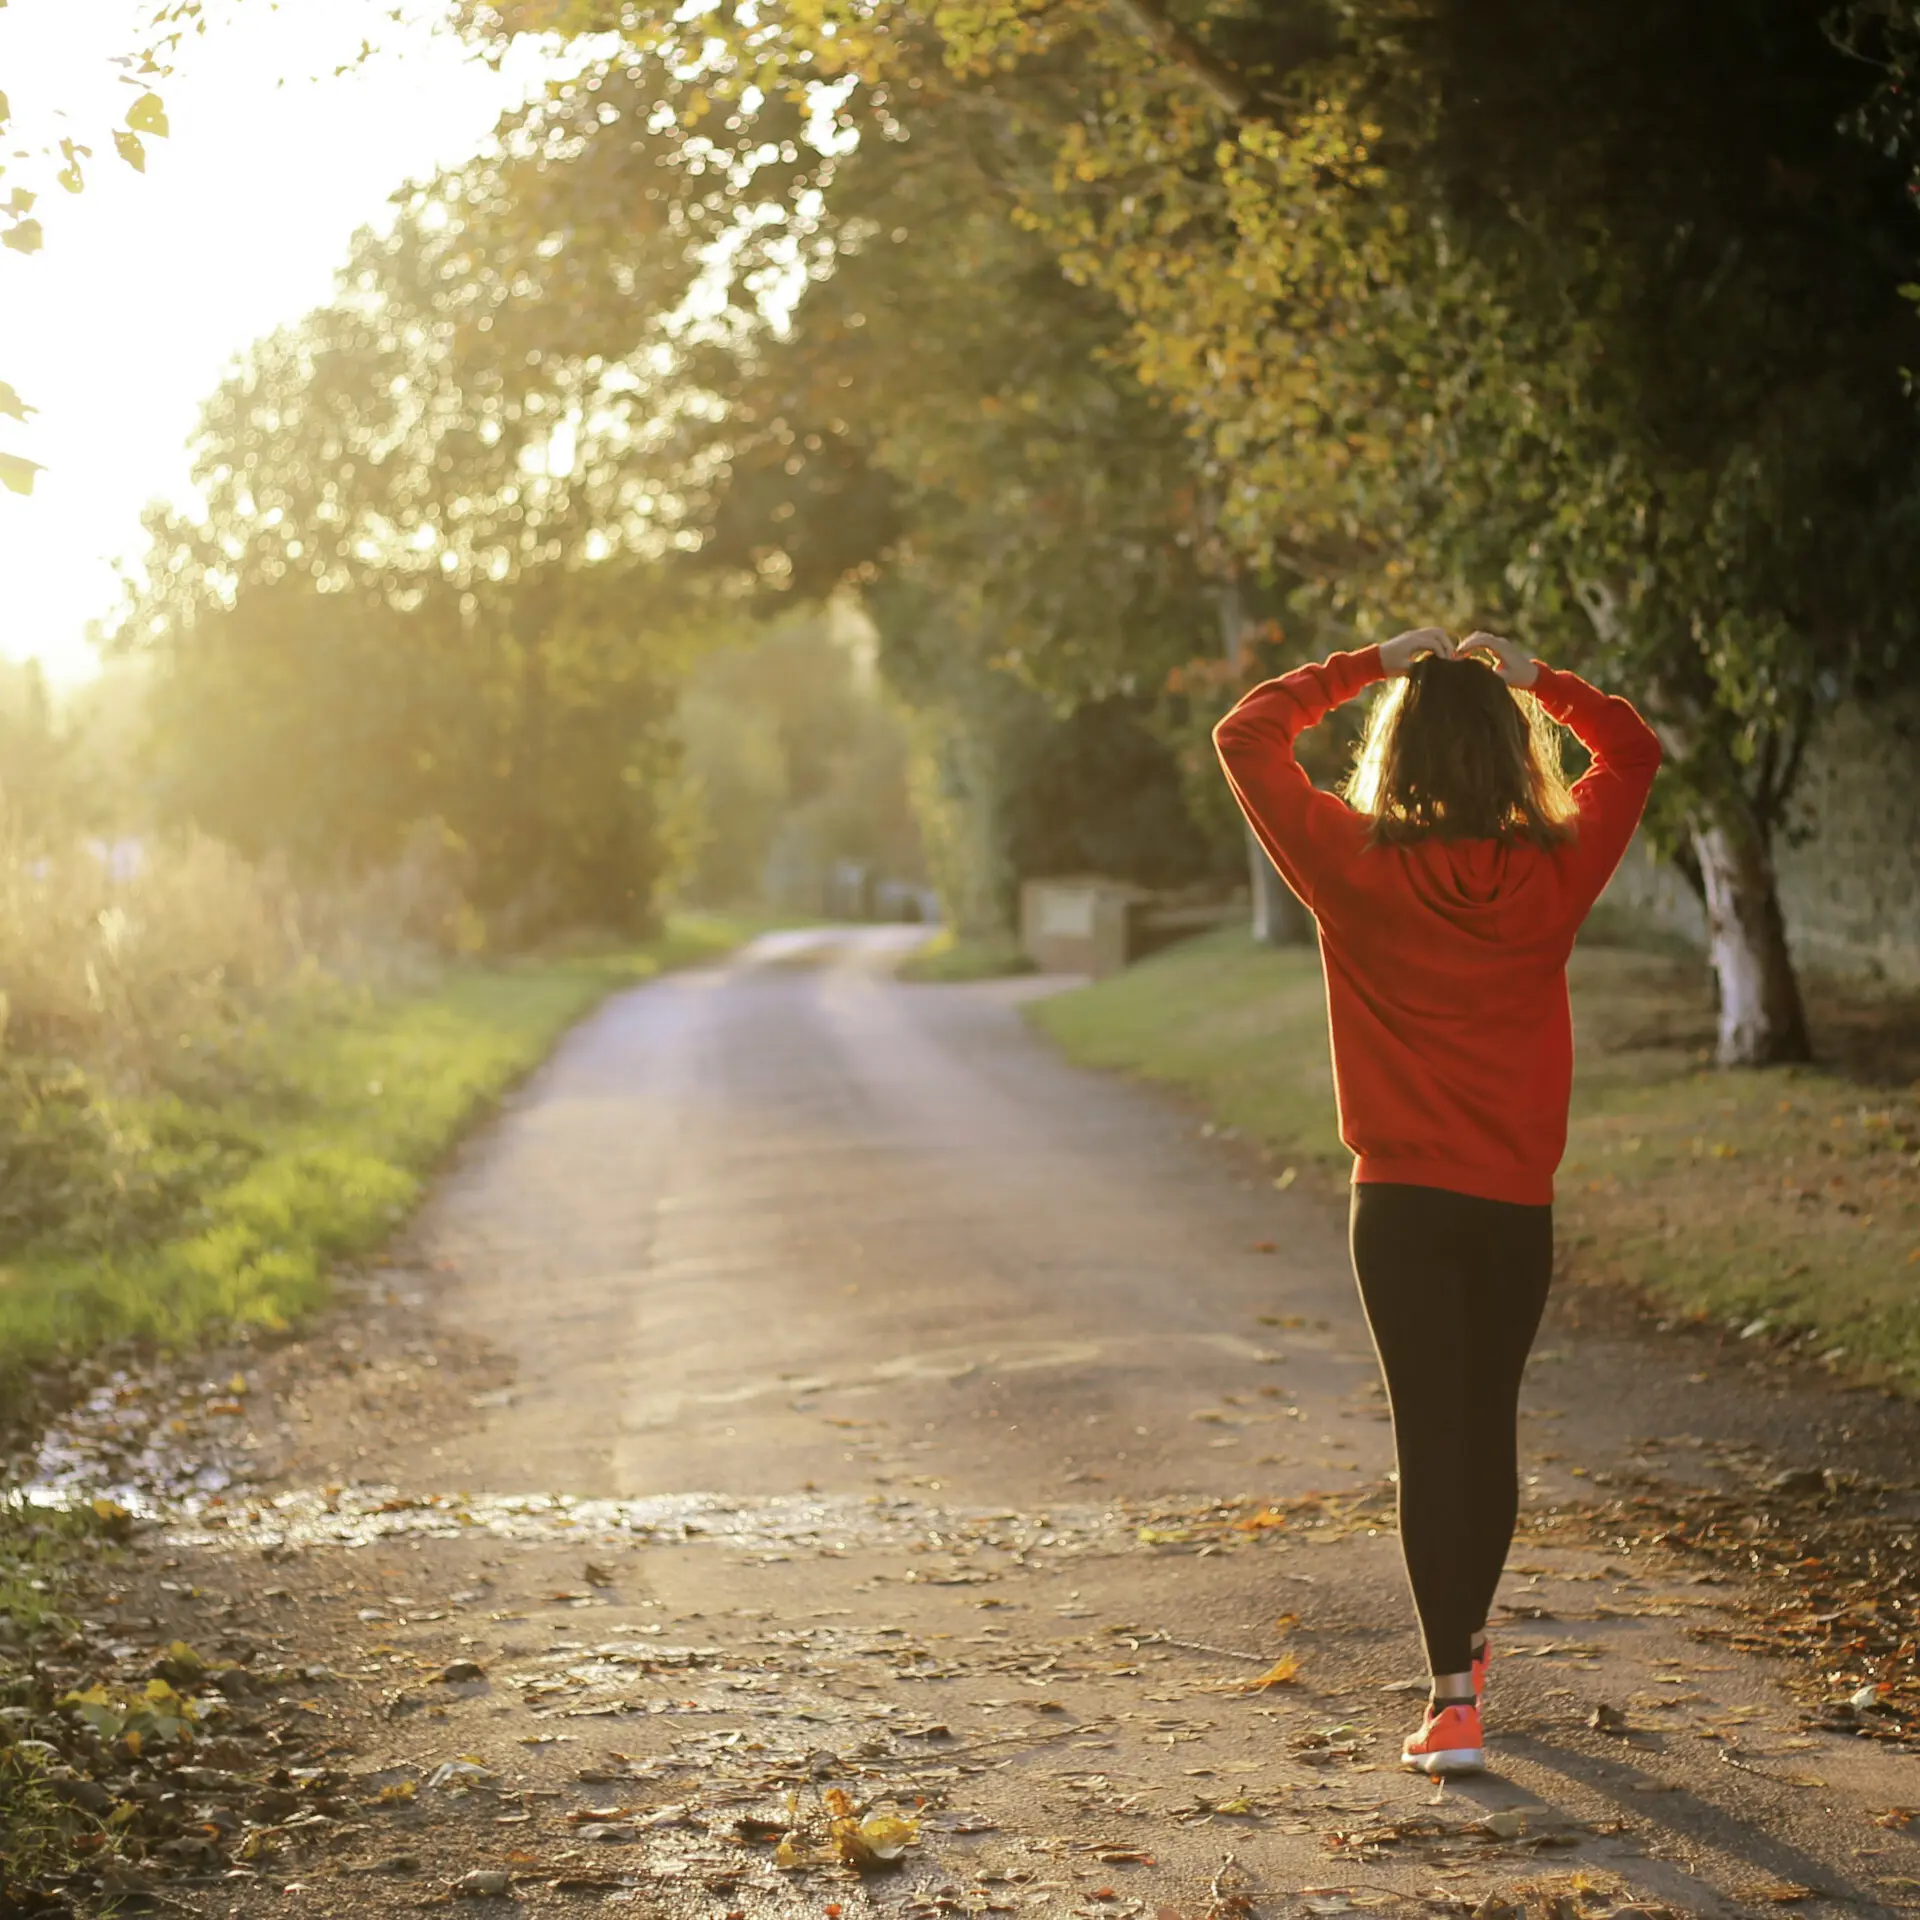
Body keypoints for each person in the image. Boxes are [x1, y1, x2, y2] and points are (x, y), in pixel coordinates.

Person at [1213, 627, 1661, 1776]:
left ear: (1397, 751)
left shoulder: (1351, 863)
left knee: (1429, 1436)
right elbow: (1633, 749)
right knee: (1487, 1424)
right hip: (1513, 1204)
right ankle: (1463, 1650)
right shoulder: (1556, 869)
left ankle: (1452, 1697)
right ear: (1513, 753)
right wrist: (1541, 681)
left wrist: (1367, 663)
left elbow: (1246, 734)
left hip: (1401, 1205)